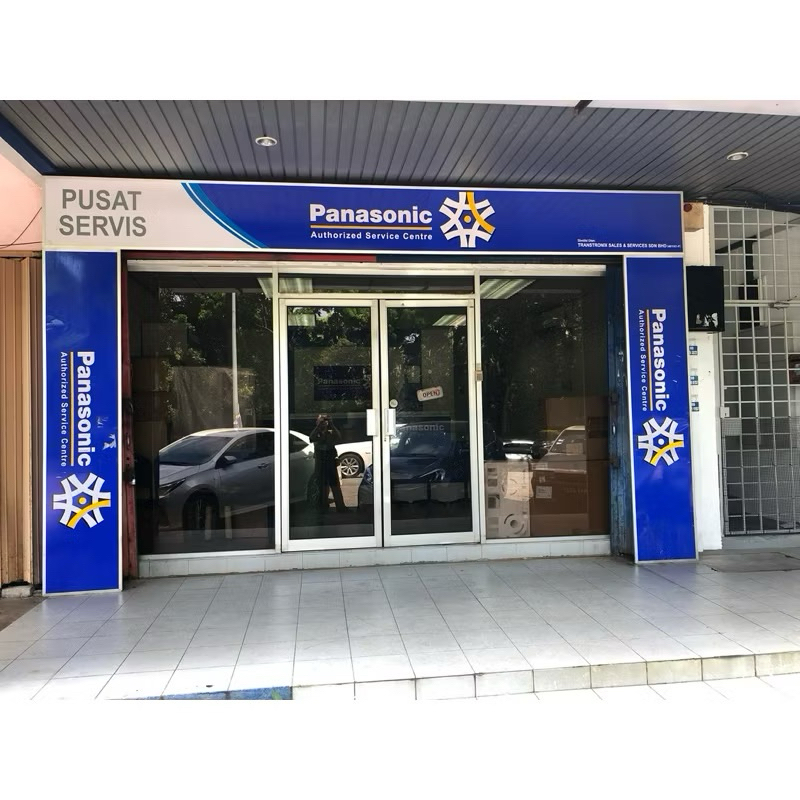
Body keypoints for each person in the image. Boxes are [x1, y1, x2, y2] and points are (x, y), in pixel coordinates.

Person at [309, 414, 347, 513]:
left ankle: (340, 507)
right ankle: (323, 506)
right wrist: (318, 427)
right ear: (317, 422)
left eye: (324, 421)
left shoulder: (330, 432)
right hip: (321, 462)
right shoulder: (317, 432)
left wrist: (332, 425)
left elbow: (339, 437)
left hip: (330, 461)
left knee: (335, 485)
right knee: (322, 485)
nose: (323, 423)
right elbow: (311, 438)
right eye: (321, 421)